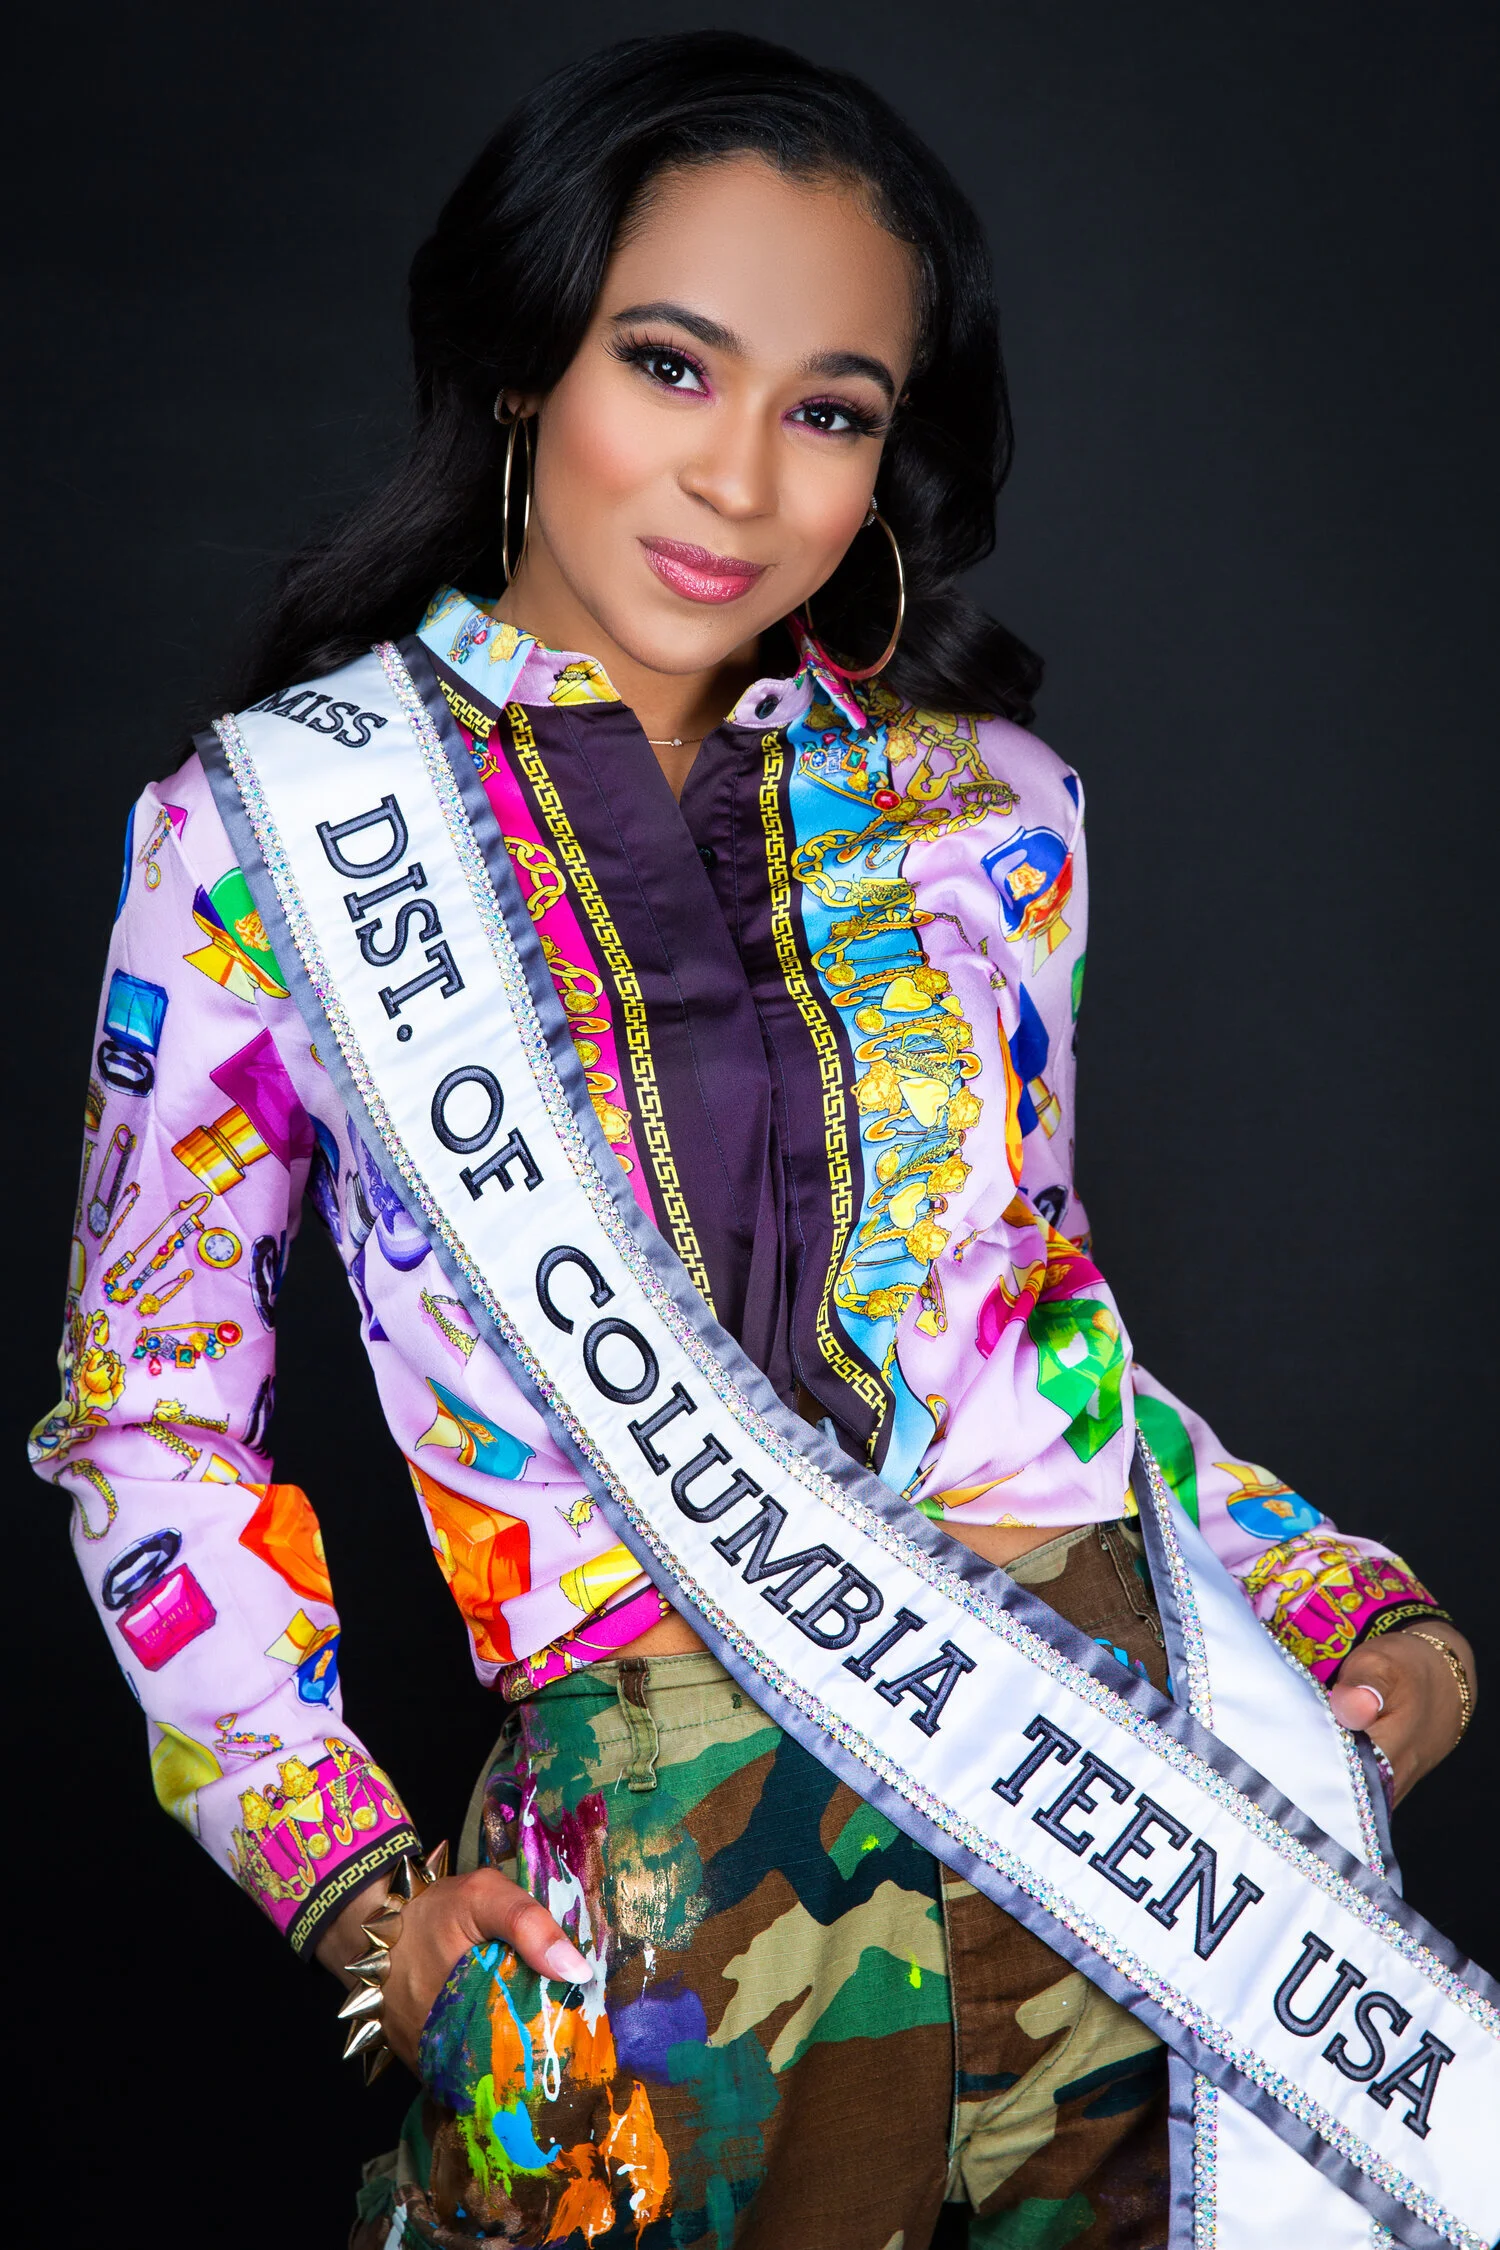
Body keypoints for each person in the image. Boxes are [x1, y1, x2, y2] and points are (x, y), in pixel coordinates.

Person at [32, 32, 1480, 2250]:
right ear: (530, 364)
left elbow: (1033, 1334)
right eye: (671, 365)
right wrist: (354, 1884)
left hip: (1111, 1843)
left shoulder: (987, 810)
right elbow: (150, 1428)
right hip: (665, 1919)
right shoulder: (264, 838)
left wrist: (1324, 1589)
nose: (737, 482)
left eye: (829, 410)